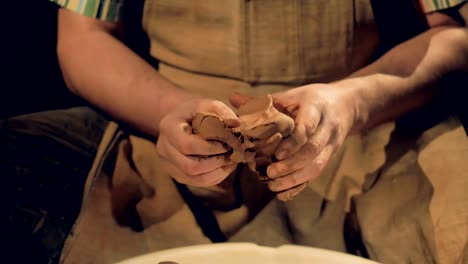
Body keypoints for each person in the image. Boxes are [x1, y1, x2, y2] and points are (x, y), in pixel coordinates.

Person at [4, 0, 468, 263]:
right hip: (164, 133)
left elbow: (451, 35)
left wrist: (349, 102)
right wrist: (172, 112)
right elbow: (84, 38)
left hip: (363, 124)